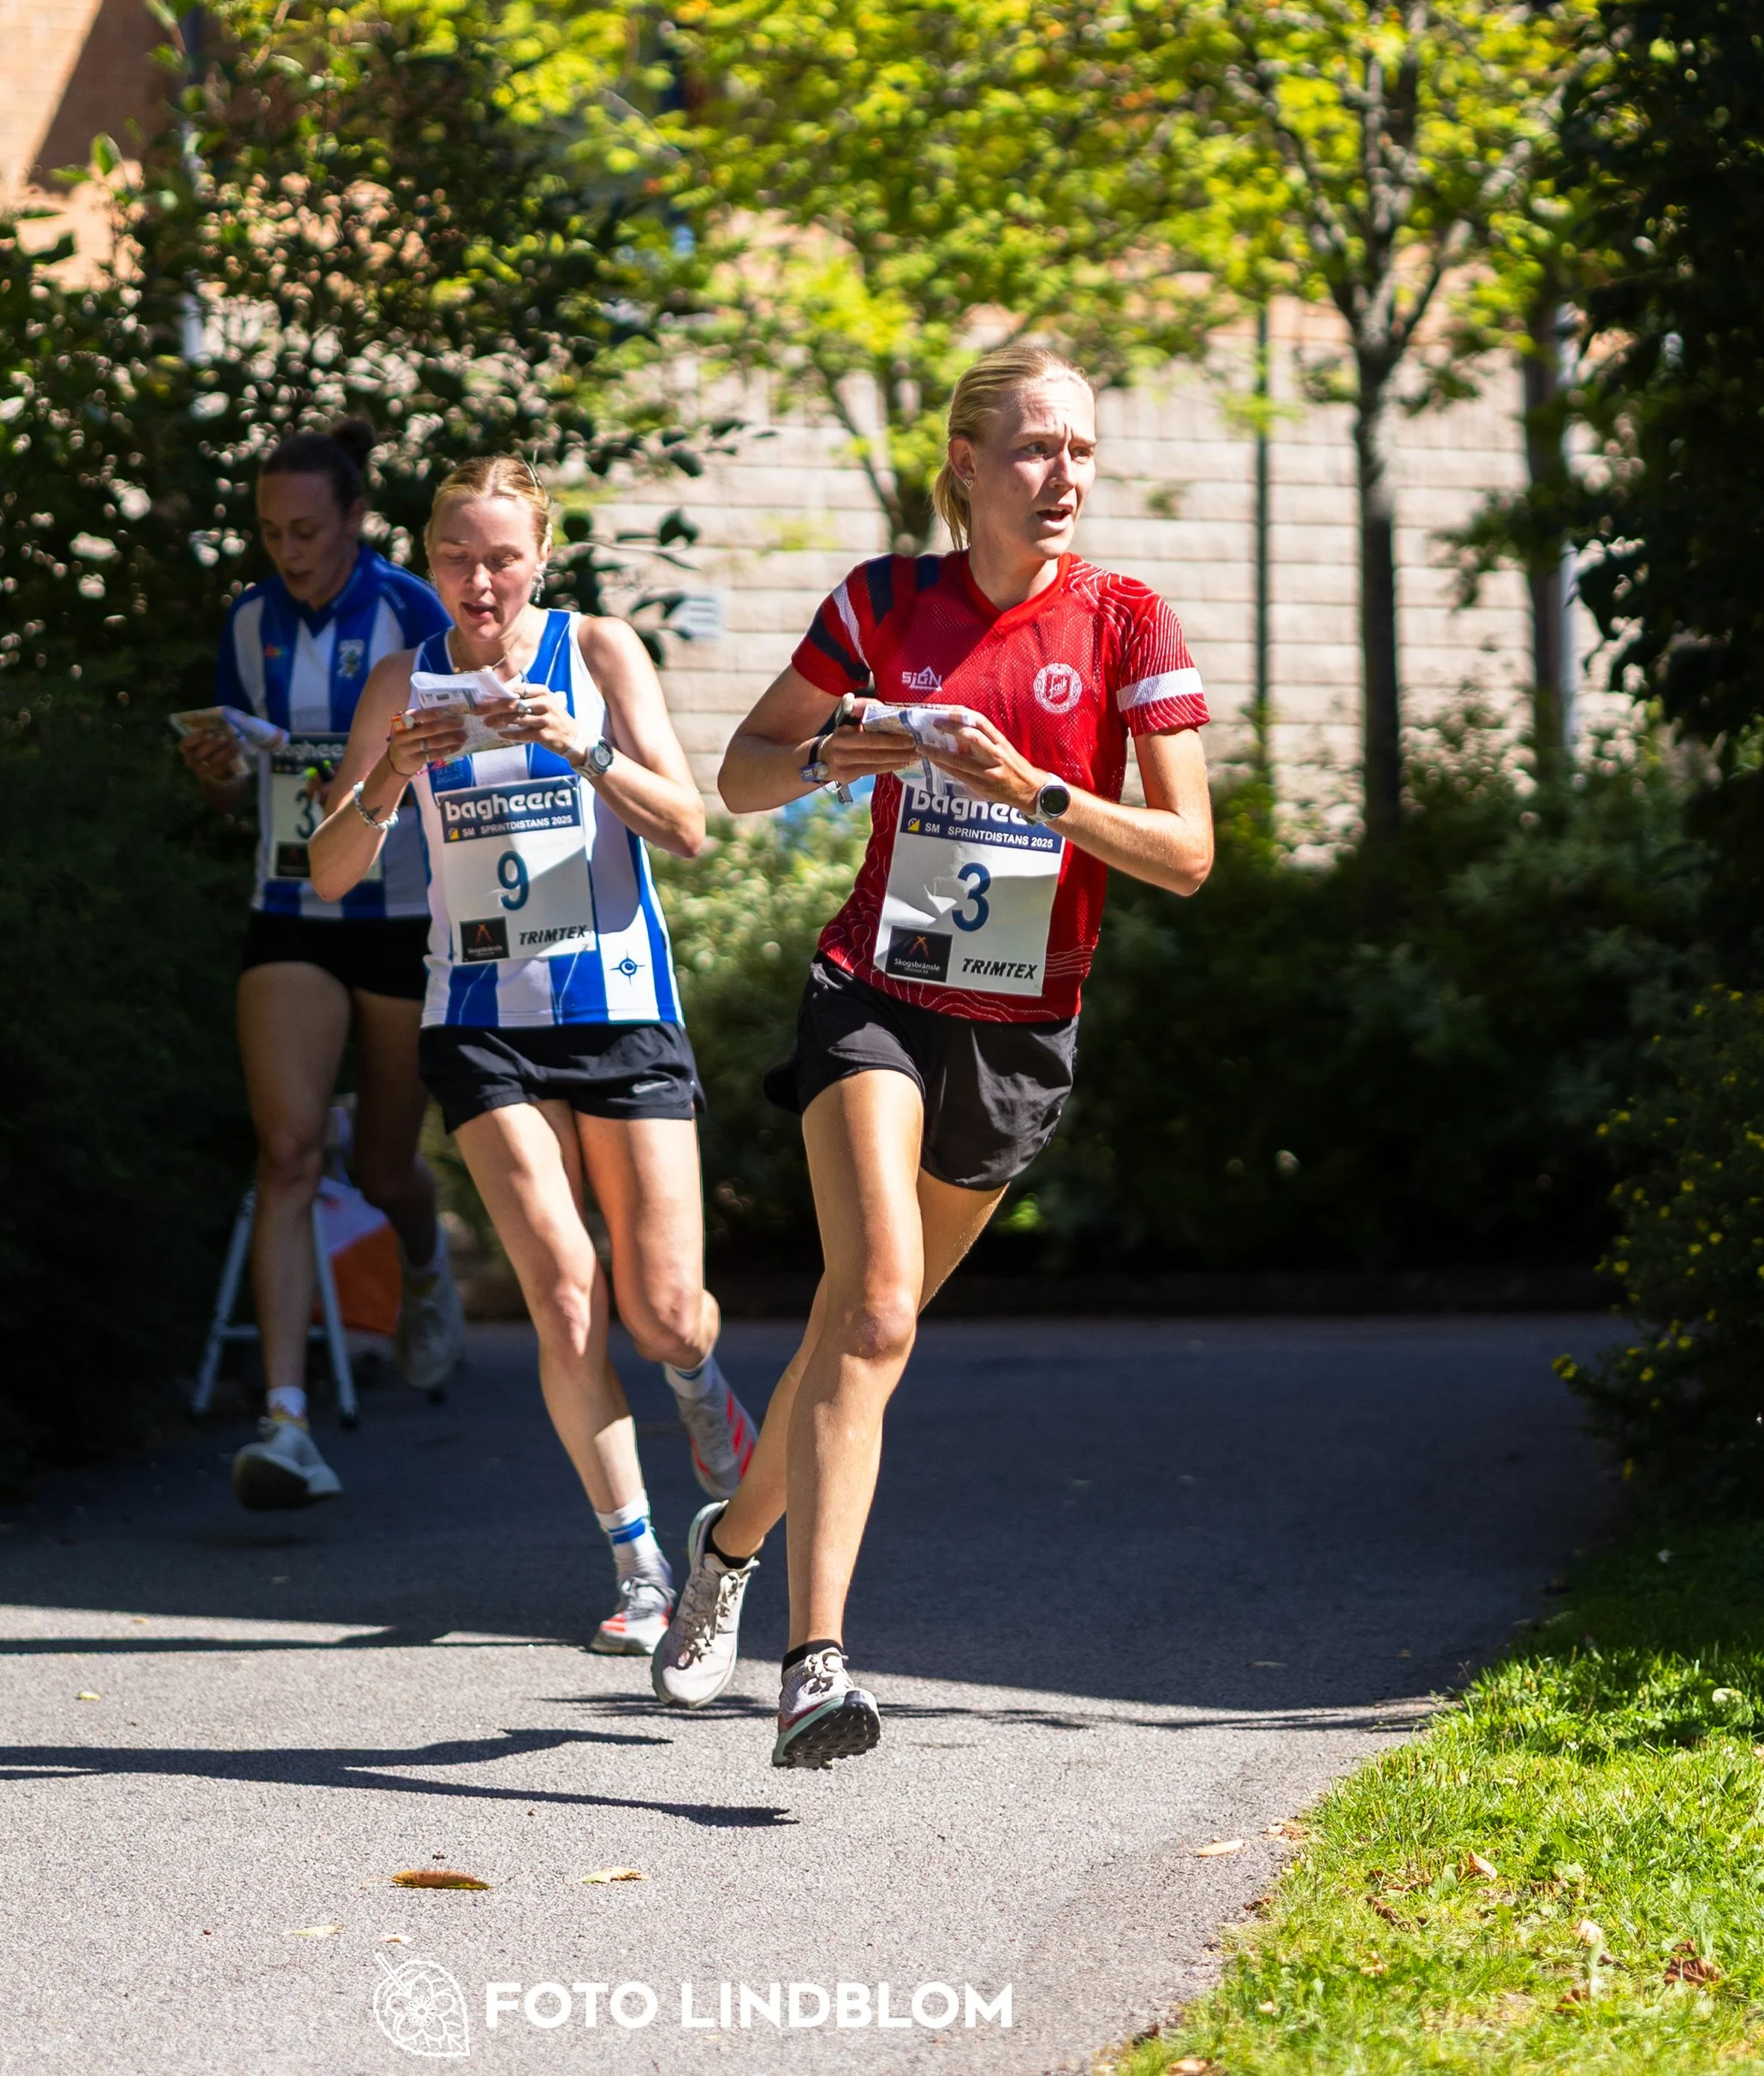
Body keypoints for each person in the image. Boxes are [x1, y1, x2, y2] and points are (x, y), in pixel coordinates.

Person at [647, 337, 1215, 1767]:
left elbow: (1189, 854)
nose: (1064, 473)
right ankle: (816, 1668)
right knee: (883, 1311)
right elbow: (744, 771)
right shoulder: (884, 602)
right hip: (876, 995)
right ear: (965, 464)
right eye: (1034, 448)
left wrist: (1034, 790)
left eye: (1082, 448)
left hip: (1020, 1032)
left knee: (860, 1331)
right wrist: (862, 747)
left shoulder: (1131, 622)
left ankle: (722, 1552)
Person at [308, 456, 759, 1656]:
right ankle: (643, 1565)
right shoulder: (404, 680)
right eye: (455, 555)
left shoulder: (601, 654)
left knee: (663, 1311)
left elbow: (693, 828)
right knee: (564, 1290)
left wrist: (581, 746)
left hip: (617, 1010)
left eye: (502, 555)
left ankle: (702, 1388)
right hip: (480, 1018)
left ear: (542, 557)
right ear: (428, 560)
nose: (479, 579)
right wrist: (393, 772)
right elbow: (330, 870)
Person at [179, 422, 467, 1511]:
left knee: (385, 1164)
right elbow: (228, 786)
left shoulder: (411, 613)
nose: (288, 548)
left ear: (353, 520)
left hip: (399, 911)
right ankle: (287, 1420)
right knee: (291, 1148)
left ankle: (425, 1269)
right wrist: (214, 767)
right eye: (269, 529)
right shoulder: (248, 622)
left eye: (306, 528)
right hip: (290, 906)